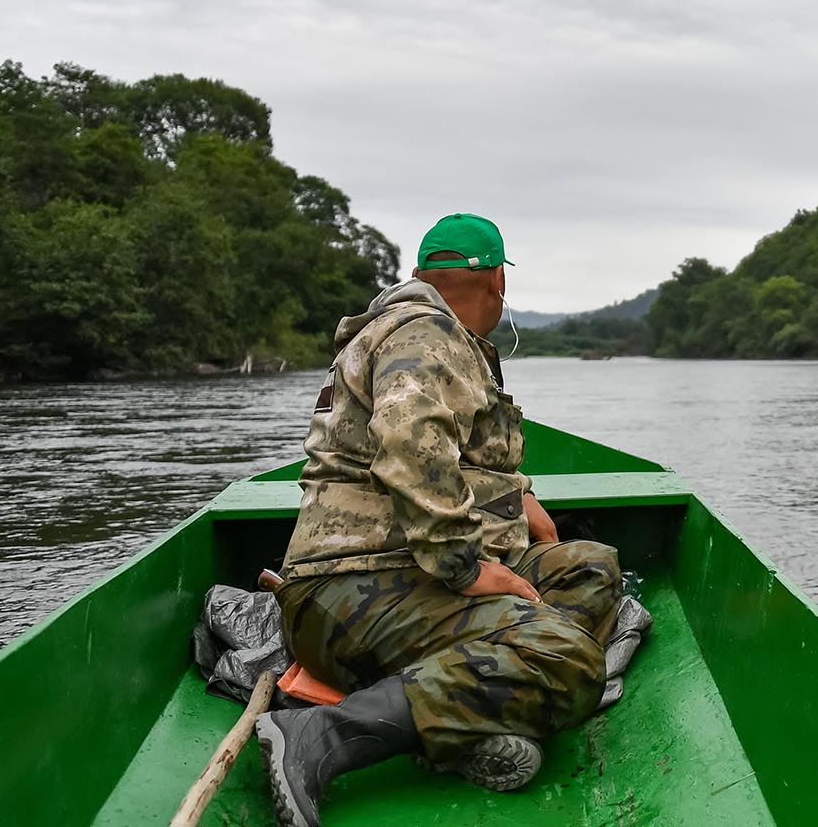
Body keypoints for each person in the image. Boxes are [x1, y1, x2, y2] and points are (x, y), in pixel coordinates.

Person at [254, 213, 621, 827]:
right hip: (351, 592)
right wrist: (466, 568)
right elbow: (410, 438)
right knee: (572, 658)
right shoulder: (426, 335)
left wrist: (519, 497)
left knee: (590, 568)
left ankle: (461, 711)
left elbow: (460, 452)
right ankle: (319, 734)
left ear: (424, 273)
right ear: (498, 283)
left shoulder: (425, 335)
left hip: (394, 575)